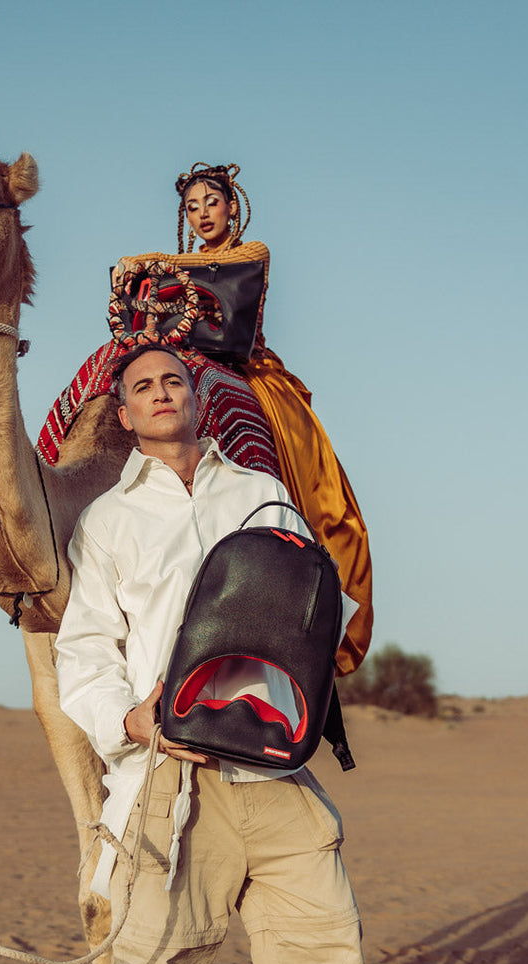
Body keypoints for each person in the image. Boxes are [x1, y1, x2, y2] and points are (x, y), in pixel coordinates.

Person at [54, 343, 410, 964]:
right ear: (124, 415)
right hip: (170, 776)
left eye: (173, 379)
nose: (160, 392)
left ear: (198, 398)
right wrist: (131, 720)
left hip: (273, 771)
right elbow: (83, 653)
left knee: (324, 956)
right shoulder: (106, 524)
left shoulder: (258, 494)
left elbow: (305, 604)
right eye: (141, 386)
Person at [111, 162, 374, 678]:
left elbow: (218, 276)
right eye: (193, 207)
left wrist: (147, 260)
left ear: (232, 207)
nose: (203, 214)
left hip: (253, 373)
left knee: (301, 482)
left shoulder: (251, 254)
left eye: (212, 202)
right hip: (188, 363)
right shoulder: (181, 267)